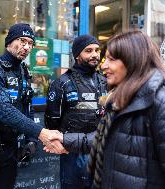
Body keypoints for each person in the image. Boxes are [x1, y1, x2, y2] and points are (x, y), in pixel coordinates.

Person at [0, 23, 62, 189]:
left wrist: (31, 141)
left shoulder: (24, 72)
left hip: (9, 151)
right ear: (9, 42)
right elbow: (5, 111)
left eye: (30, 43)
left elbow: (26, 107)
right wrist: (41, 133)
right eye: (22, 41)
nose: (26, 47)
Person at [87, 30, 165, 189]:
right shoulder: (122, 99)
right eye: (105, 58)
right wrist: (64, 140)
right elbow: (111, 142)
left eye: (112, 59)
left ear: (133, 61)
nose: (104, 65)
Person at [44, 34, 107, 189]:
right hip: (72, 153)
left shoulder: (105, 82)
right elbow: (52, 120)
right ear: (78, 55)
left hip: (99, 150)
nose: (95, 54)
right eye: (89, 50)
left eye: (97, 50)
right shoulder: (62, 83)